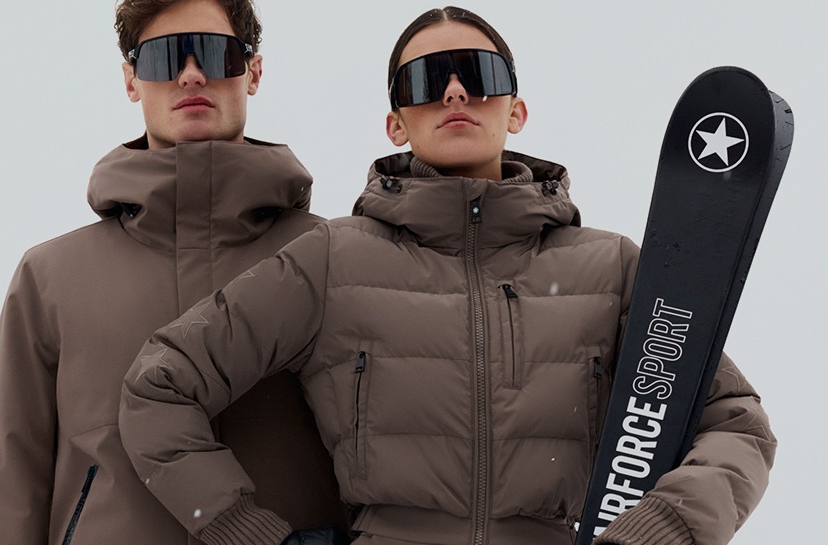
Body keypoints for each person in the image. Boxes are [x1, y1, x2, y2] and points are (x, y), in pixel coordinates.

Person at [117, 5, 776, 545]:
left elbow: (737, 424)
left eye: (477, 73)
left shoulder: (609, 267)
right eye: (426, 81)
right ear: (395, 124)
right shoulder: (333, 260)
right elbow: (160, 387)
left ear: (516, 110)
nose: (455, 91)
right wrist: (248, 531)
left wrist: (661, 530)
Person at [0, 0, 348, 543]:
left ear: (253, 71)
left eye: (215, 52)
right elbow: (7, 484)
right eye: (164, 57)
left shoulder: (332, 258)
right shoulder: (51, 277)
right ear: (131, 80)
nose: (191, 74)